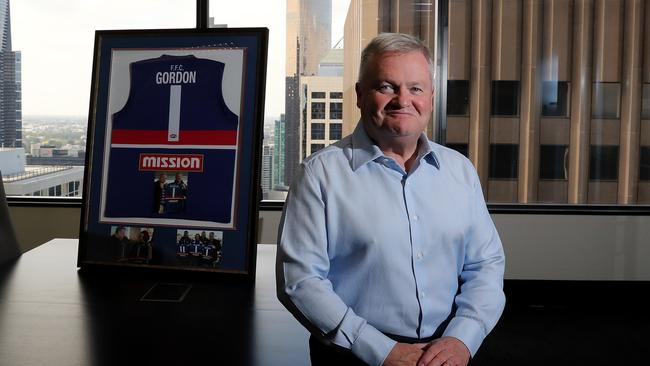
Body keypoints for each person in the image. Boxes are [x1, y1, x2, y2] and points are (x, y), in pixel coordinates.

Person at [276, 33, 505, 366]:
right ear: (359, 95)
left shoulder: (460, 172)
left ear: (431, 97)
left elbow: (485, 265)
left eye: (415, 88)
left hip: (447, 354)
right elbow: (299, 281)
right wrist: (380, 350)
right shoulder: (319, 174)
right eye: (386, 86)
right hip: (353, 355)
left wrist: (462, 337)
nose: (402, 99)